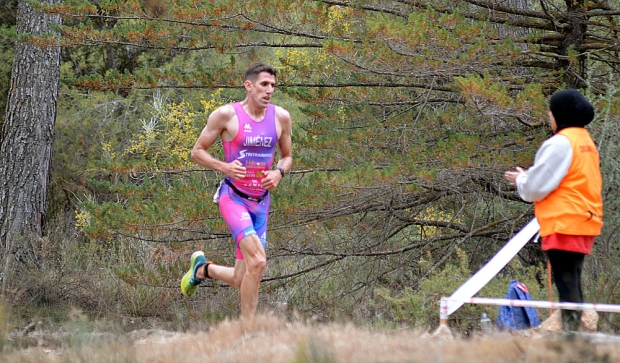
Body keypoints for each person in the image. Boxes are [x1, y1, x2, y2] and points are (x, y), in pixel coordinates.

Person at [180, 62, 293, 320]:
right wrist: (225, 167)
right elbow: (196, 152)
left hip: (261, 203)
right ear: (249, 86)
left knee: (244, 275)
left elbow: (287, 157)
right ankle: (247, 332)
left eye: (273, 86)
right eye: (264, 84)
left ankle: (202, 270)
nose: (269, 90)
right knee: (259, 263)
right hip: (233, 198)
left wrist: (279, 172)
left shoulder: (281, 117)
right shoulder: (226, 115)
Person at [504, 89, 603, 332]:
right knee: (573, 282)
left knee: (566, 283)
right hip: (584, 220)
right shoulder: (585, 141)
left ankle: (570, 339)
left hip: (564, 222)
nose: (549, 116)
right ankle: (575, 336)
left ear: (561, 113)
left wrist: (521, 180)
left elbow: (535, 189)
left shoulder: (560, 142)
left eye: (550, 112)